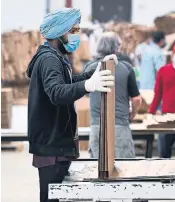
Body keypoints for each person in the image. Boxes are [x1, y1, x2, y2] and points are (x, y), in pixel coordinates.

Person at [26, 8, 116, 202]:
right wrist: (88, 85)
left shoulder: (57, 58)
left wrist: (93, 71)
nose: (77, 35)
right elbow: (57, 93)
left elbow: (67, 83)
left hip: (56, 146)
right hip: (51, 147)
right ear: (60, 32)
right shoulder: (49, 60)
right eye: (73, 31)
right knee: (51, 198)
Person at [85, 32, 141, 159]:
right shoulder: (126, 68)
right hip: (119, 127)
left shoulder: (89, 68)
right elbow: (136, 99)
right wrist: (132, 114)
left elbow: (87, 93)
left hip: (96, 127)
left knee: (97, 169)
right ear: (116, 47)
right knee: (123, 168)